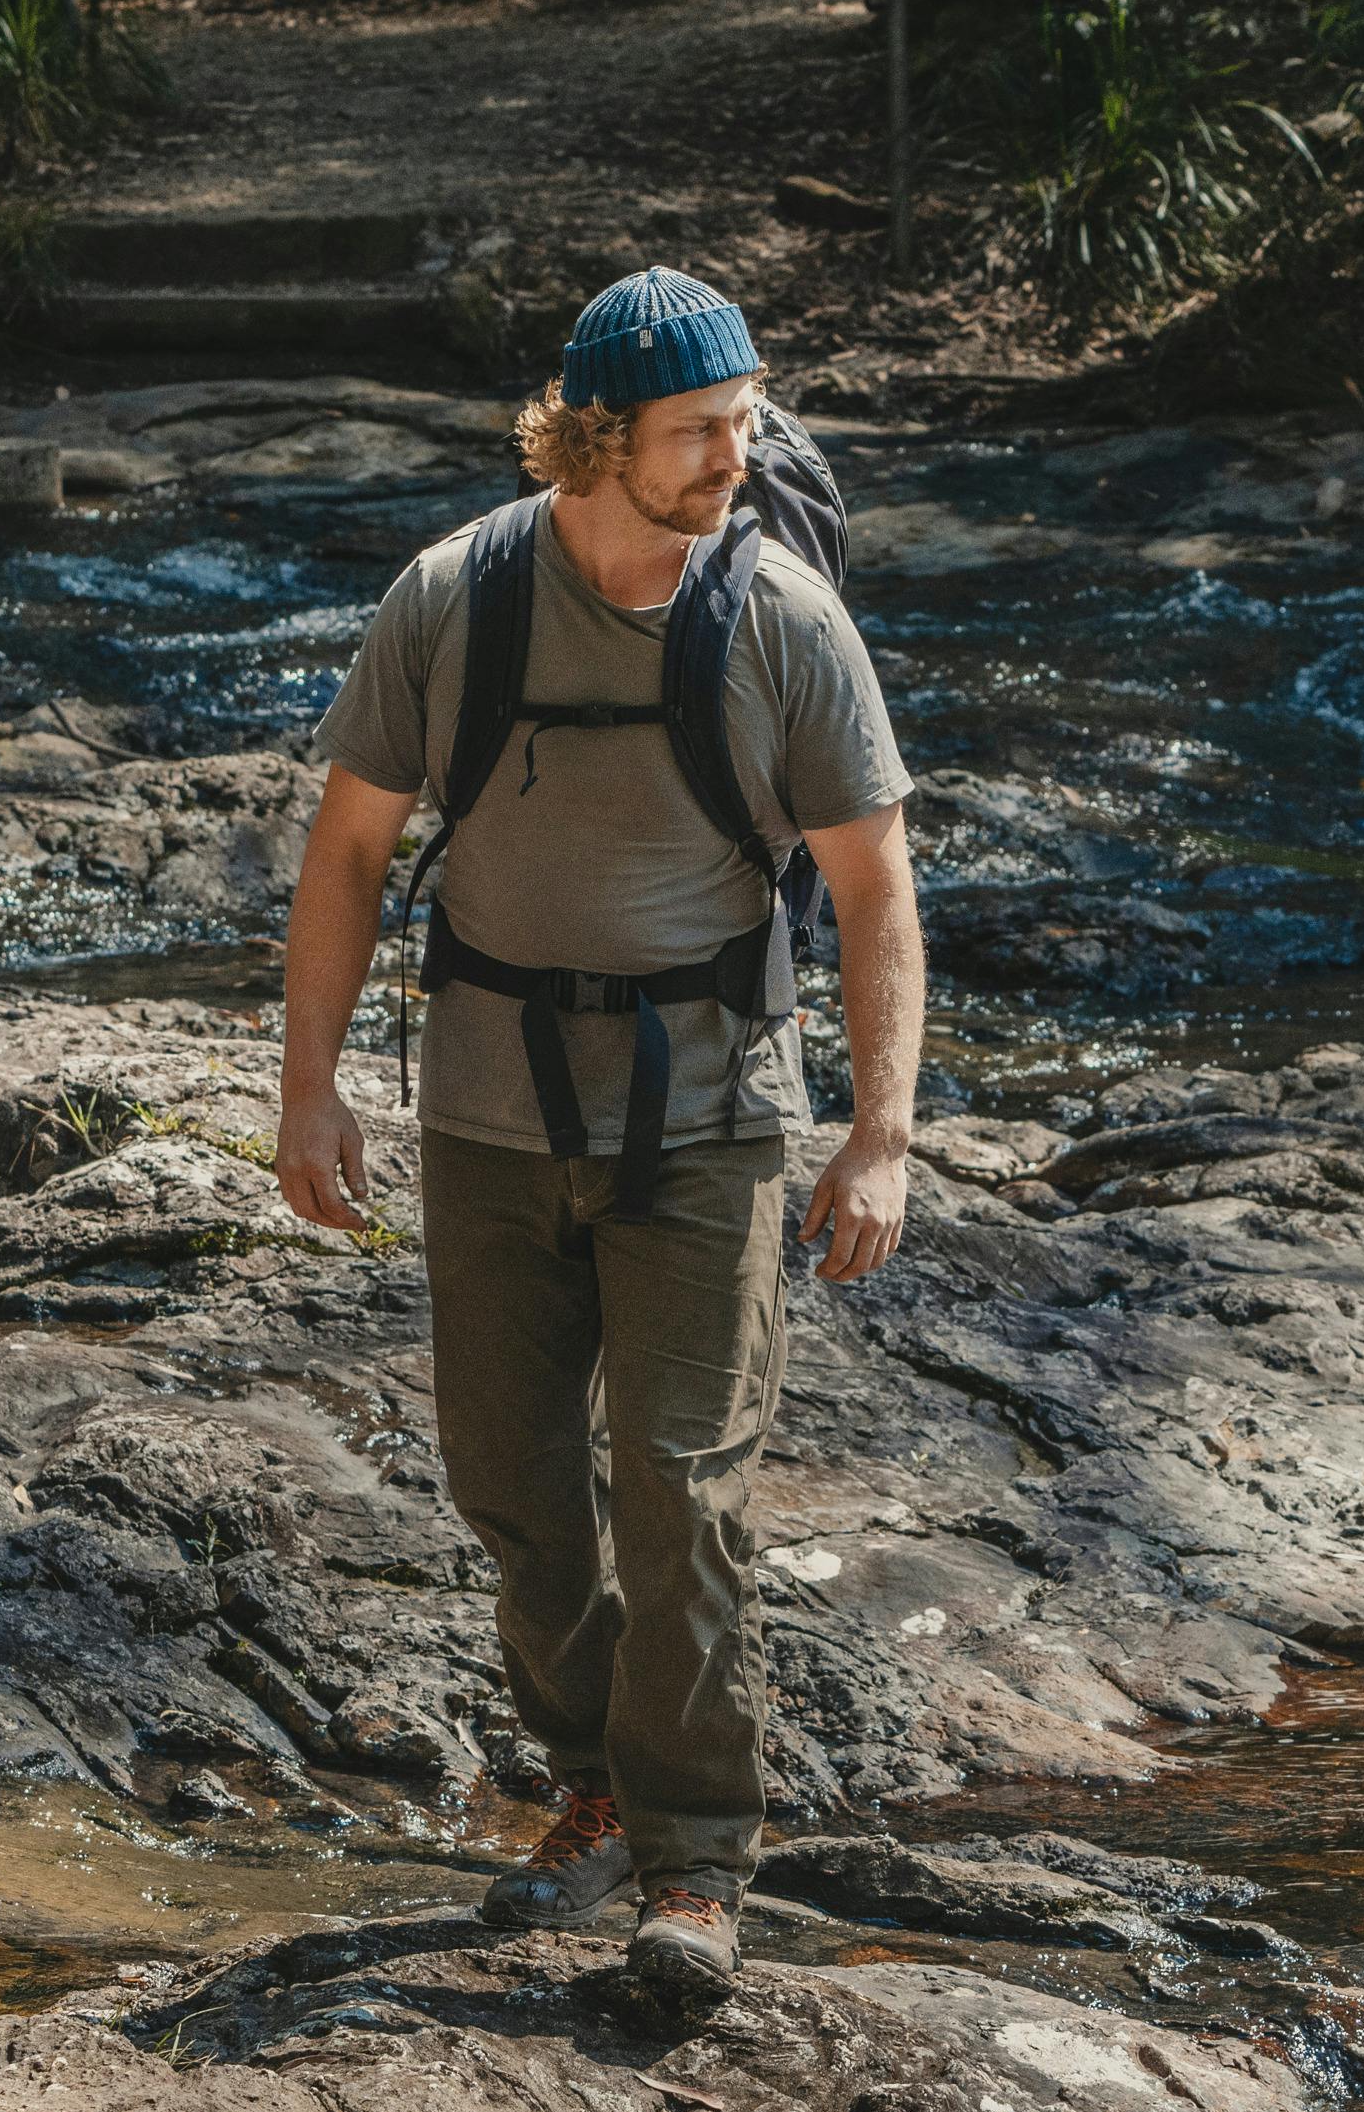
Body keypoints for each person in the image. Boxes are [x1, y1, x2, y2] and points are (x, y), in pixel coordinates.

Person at [273, 265, 922, 2015]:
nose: (740, 452)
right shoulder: (454, 602)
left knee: (683, 1482)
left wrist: (879, 1131)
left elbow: (873, 888)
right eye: (703, 429)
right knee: (513, 1487)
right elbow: (345, 853)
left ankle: (700, 1865)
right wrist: (307, 1084)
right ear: (595, 436)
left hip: (712, 1115)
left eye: (743, 420)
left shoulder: (781, 612)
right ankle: (594, 1784)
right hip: (484, 1109)